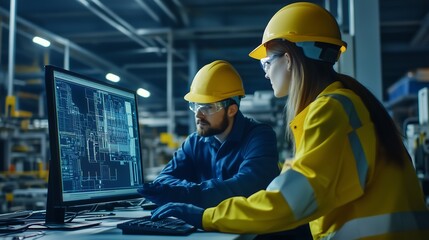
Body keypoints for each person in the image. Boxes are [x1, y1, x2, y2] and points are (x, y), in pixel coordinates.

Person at [150, 2, 429, 239]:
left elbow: (287, 202)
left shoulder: (331, 110)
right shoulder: (344, 102)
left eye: (266, 63)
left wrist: (206, 217)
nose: (266, 73)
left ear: (289, 59)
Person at [138, 60, 280, 209]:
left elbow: (249, 186)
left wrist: (187, 192)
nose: (198, 114)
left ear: (231, 110)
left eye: (207, 107)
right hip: (207, 227)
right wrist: (196, 192)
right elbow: (162, 181)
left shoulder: (259, 136)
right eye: (195, 105)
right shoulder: (194, 143)